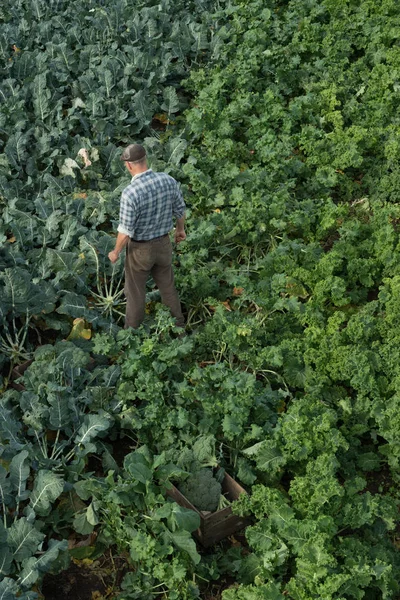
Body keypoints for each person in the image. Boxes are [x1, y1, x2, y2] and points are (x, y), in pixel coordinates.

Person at [108, 143, 186, 329]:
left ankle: (131, 333)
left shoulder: (130, 193)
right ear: (145, 160)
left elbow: (125, 231)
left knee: (135, 293)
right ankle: (179, 327)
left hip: (140, 250)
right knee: (167, 288)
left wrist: (116, 251)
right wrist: (180, 230)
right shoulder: (167, 180)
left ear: (128, 165)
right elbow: (180, 209)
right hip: (164, 244)